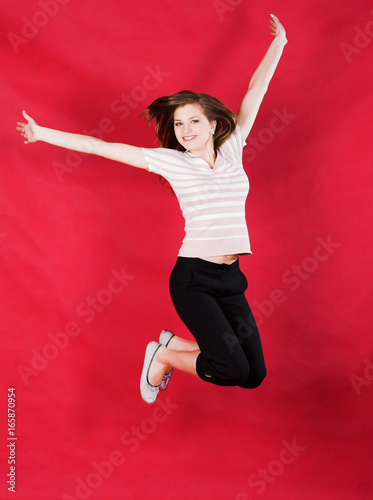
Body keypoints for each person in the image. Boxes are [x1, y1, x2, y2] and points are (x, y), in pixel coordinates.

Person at [17, 14, 287, 404]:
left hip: (231, 280)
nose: (186, 130)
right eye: (179, 124)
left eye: (194, 121)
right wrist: (43, 133)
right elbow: (98, 146)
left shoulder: (232, 148)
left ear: (214, 124)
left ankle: (171, 344)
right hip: (194, 279)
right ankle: (163, 355)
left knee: (254, 375)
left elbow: (254, 91)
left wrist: (278, 44)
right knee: (232, 369)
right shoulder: (171, 161)